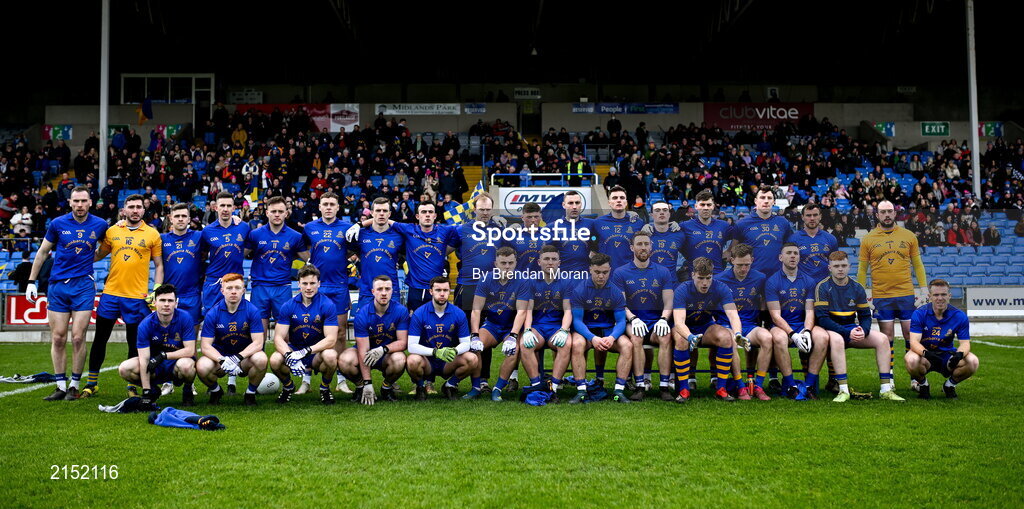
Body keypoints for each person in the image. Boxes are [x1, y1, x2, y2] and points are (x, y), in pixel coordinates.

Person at [28, 186, 108, 401]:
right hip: (58, 286)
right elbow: (43, 251)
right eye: (76, 201)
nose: (80, 205)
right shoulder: (57, 224)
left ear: (90, 202)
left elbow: (107, 247)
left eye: (84, 201)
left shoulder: (100, 224)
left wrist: (92, 259)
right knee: (58, 337)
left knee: (78, 336)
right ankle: (60, 385)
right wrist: (31, 281)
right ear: (70, 202)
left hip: (83, 286)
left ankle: (74, 385)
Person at [84, 194, 164, 399]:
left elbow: (159, 265)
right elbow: (98, 254)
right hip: (111, 294)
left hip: (137, 298)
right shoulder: (112, 231)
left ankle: (132, 385)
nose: (135, 210)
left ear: (143, 211)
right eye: (131, 207)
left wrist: (156, 289)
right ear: (124, 210)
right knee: (100, 339)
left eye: (139, 207)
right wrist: (78, 257)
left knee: (134, 342)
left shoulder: (152, 234)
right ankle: (91, 383)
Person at [856, 200, 927, 389]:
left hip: (906, 294)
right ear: (877, 215)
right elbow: (862, 269)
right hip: (882, 295)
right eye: (882, 212)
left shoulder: (909, 236)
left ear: (895, 214)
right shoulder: (868, 239)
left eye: (890, 211)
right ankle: (890, 378)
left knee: (911, 336)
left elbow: (918, 265)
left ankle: (916, 379)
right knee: (886, 337)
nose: (887, 215)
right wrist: (861, 293)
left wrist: (924, 289)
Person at [815, 251, 904, 402]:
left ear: (849, 267)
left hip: (850, 328)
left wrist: (863, 330)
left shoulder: (857, 287)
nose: (840, 269)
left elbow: (864, 315)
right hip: (831, 330)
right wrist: (846, 332)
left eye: (843, 265)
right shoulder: (822, 287)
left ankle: (886, 389)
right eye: (836, 266)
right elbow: (822, 319)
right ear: (830, 268)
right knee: (837, 340)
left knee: (883, 339)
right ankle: (843, 390)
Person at [670, 257, 747, 402]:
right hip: (685, 327)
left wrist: (737, 334)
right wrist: (690, 337)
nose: (705, 283)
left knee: (725, 337)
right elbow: (679, 322)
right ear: (693, 275)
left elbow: (733, 315)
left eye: (708, 278)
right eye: (700, 278)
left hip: (705, 325)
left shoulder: (720, 287)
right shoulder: (682, 289)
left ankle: (721, 389)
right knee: (681, 340)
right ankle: (684, 390)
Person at [611, 231, 675, 401]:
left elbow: (669, 302)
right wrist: (632, 318)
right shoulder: (620, 272)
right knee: (636, 338)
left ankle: (664, 386)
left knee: (666, 336)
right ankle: (640, 385)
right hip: (633, 321)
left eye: (646, 244)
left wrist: (664, 319)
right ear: (632, 247)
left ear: (651, 247)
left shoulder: (662, 271)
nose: (643, 247)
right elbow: (620, 304)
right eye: (639, 244)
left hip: (655, 321)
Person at [303, 191, 357, 394]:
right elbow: (302, 249)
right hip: (316, 287)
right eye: (324, 204)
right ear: (319, 206)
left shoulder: (347, 228)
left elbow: (357, 249)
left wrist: (352, 262)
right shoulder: (309, 228)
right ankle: (306, 379)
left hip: (339, 286)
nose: (328, 207)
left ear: (337, 207)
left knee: (341, 332)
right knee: (311, 331)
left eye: (332, 204)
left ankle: (341, 378)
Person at [200, 192, 251, 395]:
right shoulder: (207, 231)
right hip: (213, 286)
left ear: (234, 208)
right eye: (222, 205)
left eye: (229, 205)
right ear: (215, 207)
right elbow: (203, 255)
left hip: (234, 286)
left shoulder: (244, 227)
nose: (225, 209)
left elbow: (248, 249)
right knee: (214, 331)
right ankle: (214, 377)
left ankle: (232, 377)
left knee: (236, 328)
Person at [765, 243, 829, 399]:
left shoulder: (809, 280)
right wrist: (793, 334)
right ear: (781, 257)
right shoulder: (772, 281)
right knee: (779, 339)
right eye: (788, 253)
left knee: (823, 337)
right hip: (781, 326)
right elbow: (775, 316)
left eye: (795, 253)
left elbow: (809, 311)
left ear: (800, 257)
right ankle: (790, 386)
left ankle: (809, 385)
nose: (792, 256)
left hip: (802, 325)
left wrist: (806, 331)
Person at [269, 265, 339, 405]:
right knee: (275, 359)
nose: (308, 287)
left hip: (316, 354)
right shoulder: (288, 305)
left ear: (319, 284)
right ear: (298, 284)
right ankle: (288, 386)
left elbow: (331, 339)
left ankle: (324, 388)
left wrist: (306, 351)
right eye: (305, 283)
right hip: (294, 349)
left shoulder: (328, 304)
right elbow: (278, 338)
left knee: (331, 356)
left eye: (312, 283)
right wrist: (290, 355)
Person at [466, 247, 530, 401]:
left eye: (510, 263)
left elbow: (522, 312)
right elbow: (476, 310)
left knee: (514, 350)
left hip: (511, 326)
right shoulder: (486, 278)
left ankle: (497, 389)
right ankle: (476, 387)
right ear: (496, 263)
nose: (507, 266)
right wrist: (474, 335)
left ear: (516, 263)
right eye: (503, 263)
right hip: (492, 324)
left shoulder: (522, 280)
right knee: (474, 347)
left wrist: (514, 336)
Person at [117, 284, 197, 407]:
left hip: (177, 365)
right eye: (162, 300)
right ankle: (153, 390)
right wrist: (146, 391)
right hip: (155, 366)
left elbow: (190, 350)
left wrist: (164, 355)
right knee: (125, 368)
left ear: (176, 303)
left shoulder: (185, 318)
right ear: (154, 302)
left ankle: (187, 391)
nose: (166, 304)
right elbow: (144, 359)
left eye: (170, 301)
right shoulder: (145, 324)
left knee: (186, 366)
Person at [568, 253, 632, 404]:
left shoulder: (615, 291)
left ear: (610, 270)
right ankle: (581, 391)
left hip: (608, 330)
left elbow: (621, 321)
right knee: (576, 344)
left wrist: (612, 337)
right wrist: (592, 338)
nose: (601, 276)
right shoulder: (580, 290)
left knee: (627, 345)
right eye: (597, 272)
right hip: (586, 330)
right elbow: (577, 321)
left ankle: (619, 391)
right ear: (590, 269)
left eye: (605, 272)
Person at [196, 273, 268, 406]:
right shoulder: (213, 313)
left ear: (243, 290)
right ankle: (216, 391)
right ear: (222, 290)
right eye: (229, 288)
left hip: (244, 359)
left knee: (261, 358)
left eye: (237, 288)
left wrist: (237, 358)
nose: (233, 291)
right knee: (202, 366)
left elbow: (258, 342)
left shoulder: (252, 311)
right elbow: (206, 346)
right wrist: (223, 360)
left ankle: (250, 393)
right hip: (221, 360)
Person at [245, 195, 310, 337]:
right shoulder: (255, 234)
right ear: (267, 212)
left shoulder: (295, 236)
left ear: (286, 213)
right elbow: (238, 255)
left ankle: (284, 360)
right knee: (257, 335)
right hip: (260, 287)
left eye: (280, 211)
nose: (277, 214)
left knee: (285, 336)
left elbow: (309, 260)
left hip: (283, 288)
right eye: (273, 211)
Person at [904, 279, 979, 399]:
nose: (940, 298)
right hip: (925, 357)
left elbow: (965, 343)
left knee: (973, 361)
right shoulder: (919, 313)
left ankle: (949, 385)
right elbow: (913, 342)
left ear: (949, 296)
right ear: (929, 297)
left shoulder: (959, 316)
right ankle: (923, 385)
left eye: (943, 294)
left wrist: (959, 354)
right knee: (911, 359)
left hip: (947, 356)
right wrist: (926, 354)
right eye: (936, 295)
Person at [406, 276, 477, 400]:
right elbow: (411, 346)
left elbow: (466, 343)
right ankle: (420, 387)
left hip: (448, 361)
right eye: (438, 290)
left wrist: (454, 351)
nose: (442, 294)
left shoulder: (458, 313)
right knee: (412, 360)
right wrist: (435, 352)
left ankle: (450, 385)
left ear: (450, 291)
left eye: (445, 290)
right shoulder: (419, 313)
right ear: (431, 291)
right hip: (427, 361)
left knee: (472, 359)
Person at [715, 243, 771, 400]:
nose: (743, 269)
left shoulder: (760, 278)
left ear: (752, 260)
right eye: (740, 265)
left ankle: (757, 385)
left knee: (767, 338)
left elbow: (762, 302)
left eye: (747, 264)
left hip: (749, 326)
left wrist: (763, 322)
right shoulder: (720, 279)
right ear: (732, 260)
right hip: (726, 325)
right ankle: (740, 387)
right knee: (731, 340)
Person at [342, 275, 409, 404]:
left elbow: (402, 342)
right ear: (373, 292)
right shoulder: (362, 314)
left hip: (387, 353)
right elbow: (363, 350)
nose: (383, 293)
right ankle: (361, 387)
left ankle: (386, 387)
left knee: (400, 359)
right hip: (366, 352)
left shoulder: (401, 311)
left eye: (387, 289)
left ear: (392, 291)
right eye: (379, 289)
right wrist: (368, 383)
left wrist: (383, 349)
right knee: (345, 360)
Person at [519, 245, 573, 400]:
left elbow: (568, 310)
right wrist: (527, 329)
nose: (550, 262)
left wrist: (564, 330)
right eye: (546, 259)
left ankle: (553, 388)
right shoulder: (530, 281)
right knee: (524, 344)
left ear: (559, 262)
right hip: (537, 327)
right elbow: (528, 309)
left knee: (567, 344)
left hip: (556, 327)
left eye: (554, 259)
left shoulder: (566, 282)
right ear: (539, 262)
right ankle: (537, 386)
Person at [732, 186, 792, 277]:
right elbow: (733, 251)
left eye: (769, 198)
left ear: (774, 202)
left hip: (777, 278)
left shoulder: (783, 223)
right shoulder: (742, 224)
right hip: (751, 278)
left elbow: (790, 249)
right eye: (762, 197)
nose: (766, 201)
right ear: (756, 201)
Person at [593, 186, 645, 270]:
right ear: (609, 203)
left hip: (630, 274)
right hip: (607, 276)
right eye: (614, 198)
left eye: (622, 198)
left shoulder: (638, 223)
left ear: (626, 202)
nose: (618, 200)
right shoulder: (597, 222)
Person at [549, 190, 595, 277]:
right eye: (570, 203)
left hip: (585, 277)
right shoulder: (552, 227)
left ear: (581, 204)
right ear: (563, 205)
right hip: (562, 277)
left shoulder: (592, 224)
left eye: (577, 203)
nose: (574, 206)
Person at [789, 204, 838, 283]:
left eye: (815, 215)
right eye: (808, 215)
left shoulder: (830, 238)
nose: (812, 218)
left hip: (825, 285)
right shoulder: (793, 239)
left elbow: (836, 264)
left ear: (820, 216)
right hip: (803, 285)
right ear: (802, 217)